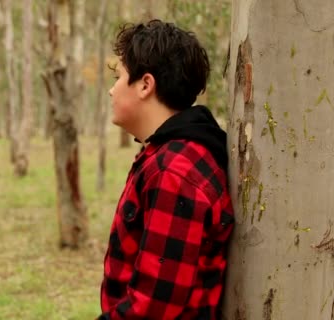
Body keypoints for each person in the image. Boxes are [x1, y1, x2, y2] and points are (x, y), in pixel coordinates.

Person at [98, 20, 235, 320]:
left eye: (118, 77)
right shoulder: (169, 154)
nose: (111, 90)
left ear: (145, 85)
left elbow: (154, 307)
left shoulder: (173, 170)